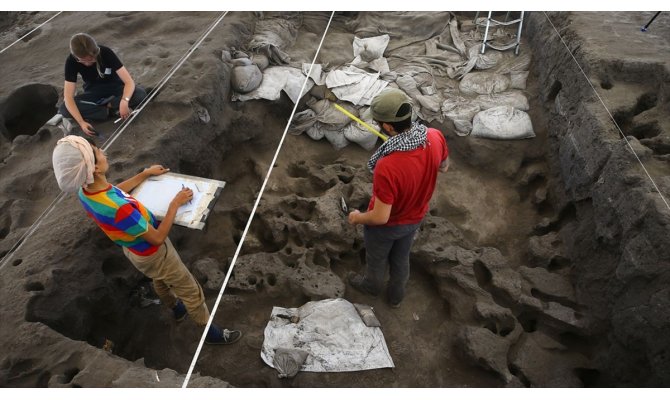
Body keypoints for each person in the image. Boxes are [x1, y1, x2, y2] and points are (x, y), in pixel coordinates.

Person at [51, 135, 241, 345]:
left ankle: (177, 310)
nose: (103, 152)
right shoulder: (120, 210)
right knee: (190, 289)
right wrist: (174, 204)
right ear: (94, 169)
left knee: (159, 279)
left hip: (136, 252)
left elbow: (116, 191)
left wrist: (144, 175)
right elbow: (158, 238)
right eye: (98, 152)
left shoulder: (86, 192)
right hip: (155, 252)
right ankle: (212, 334)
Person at [347, 88, 449, 308]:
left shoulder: (387, 165)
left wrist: (357, 218)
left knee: (377, 261)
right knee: (401, 259)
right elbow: (445, 166)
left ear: (387, 127)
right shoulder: (433, 136)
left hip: (387, 227)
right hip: (415, 218)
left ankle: (372, 287)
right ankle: (396, 297)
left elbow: (381, 217)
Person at [58, 33, 147, 136]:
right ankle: (111, 111)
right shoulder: (71, 61)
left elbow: (129, 82)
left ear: (95, 52)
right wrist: (81, 122)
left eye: (91, 59)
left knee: (140, 93)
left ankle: (107, 107)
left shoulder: (105, 52)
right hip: (93, 92)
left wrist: (124, 101)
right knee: (64, 108)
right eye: (82, 60)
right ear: (76, 56)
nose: (87, 63)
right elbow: (68, 97)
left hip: (116, 88)